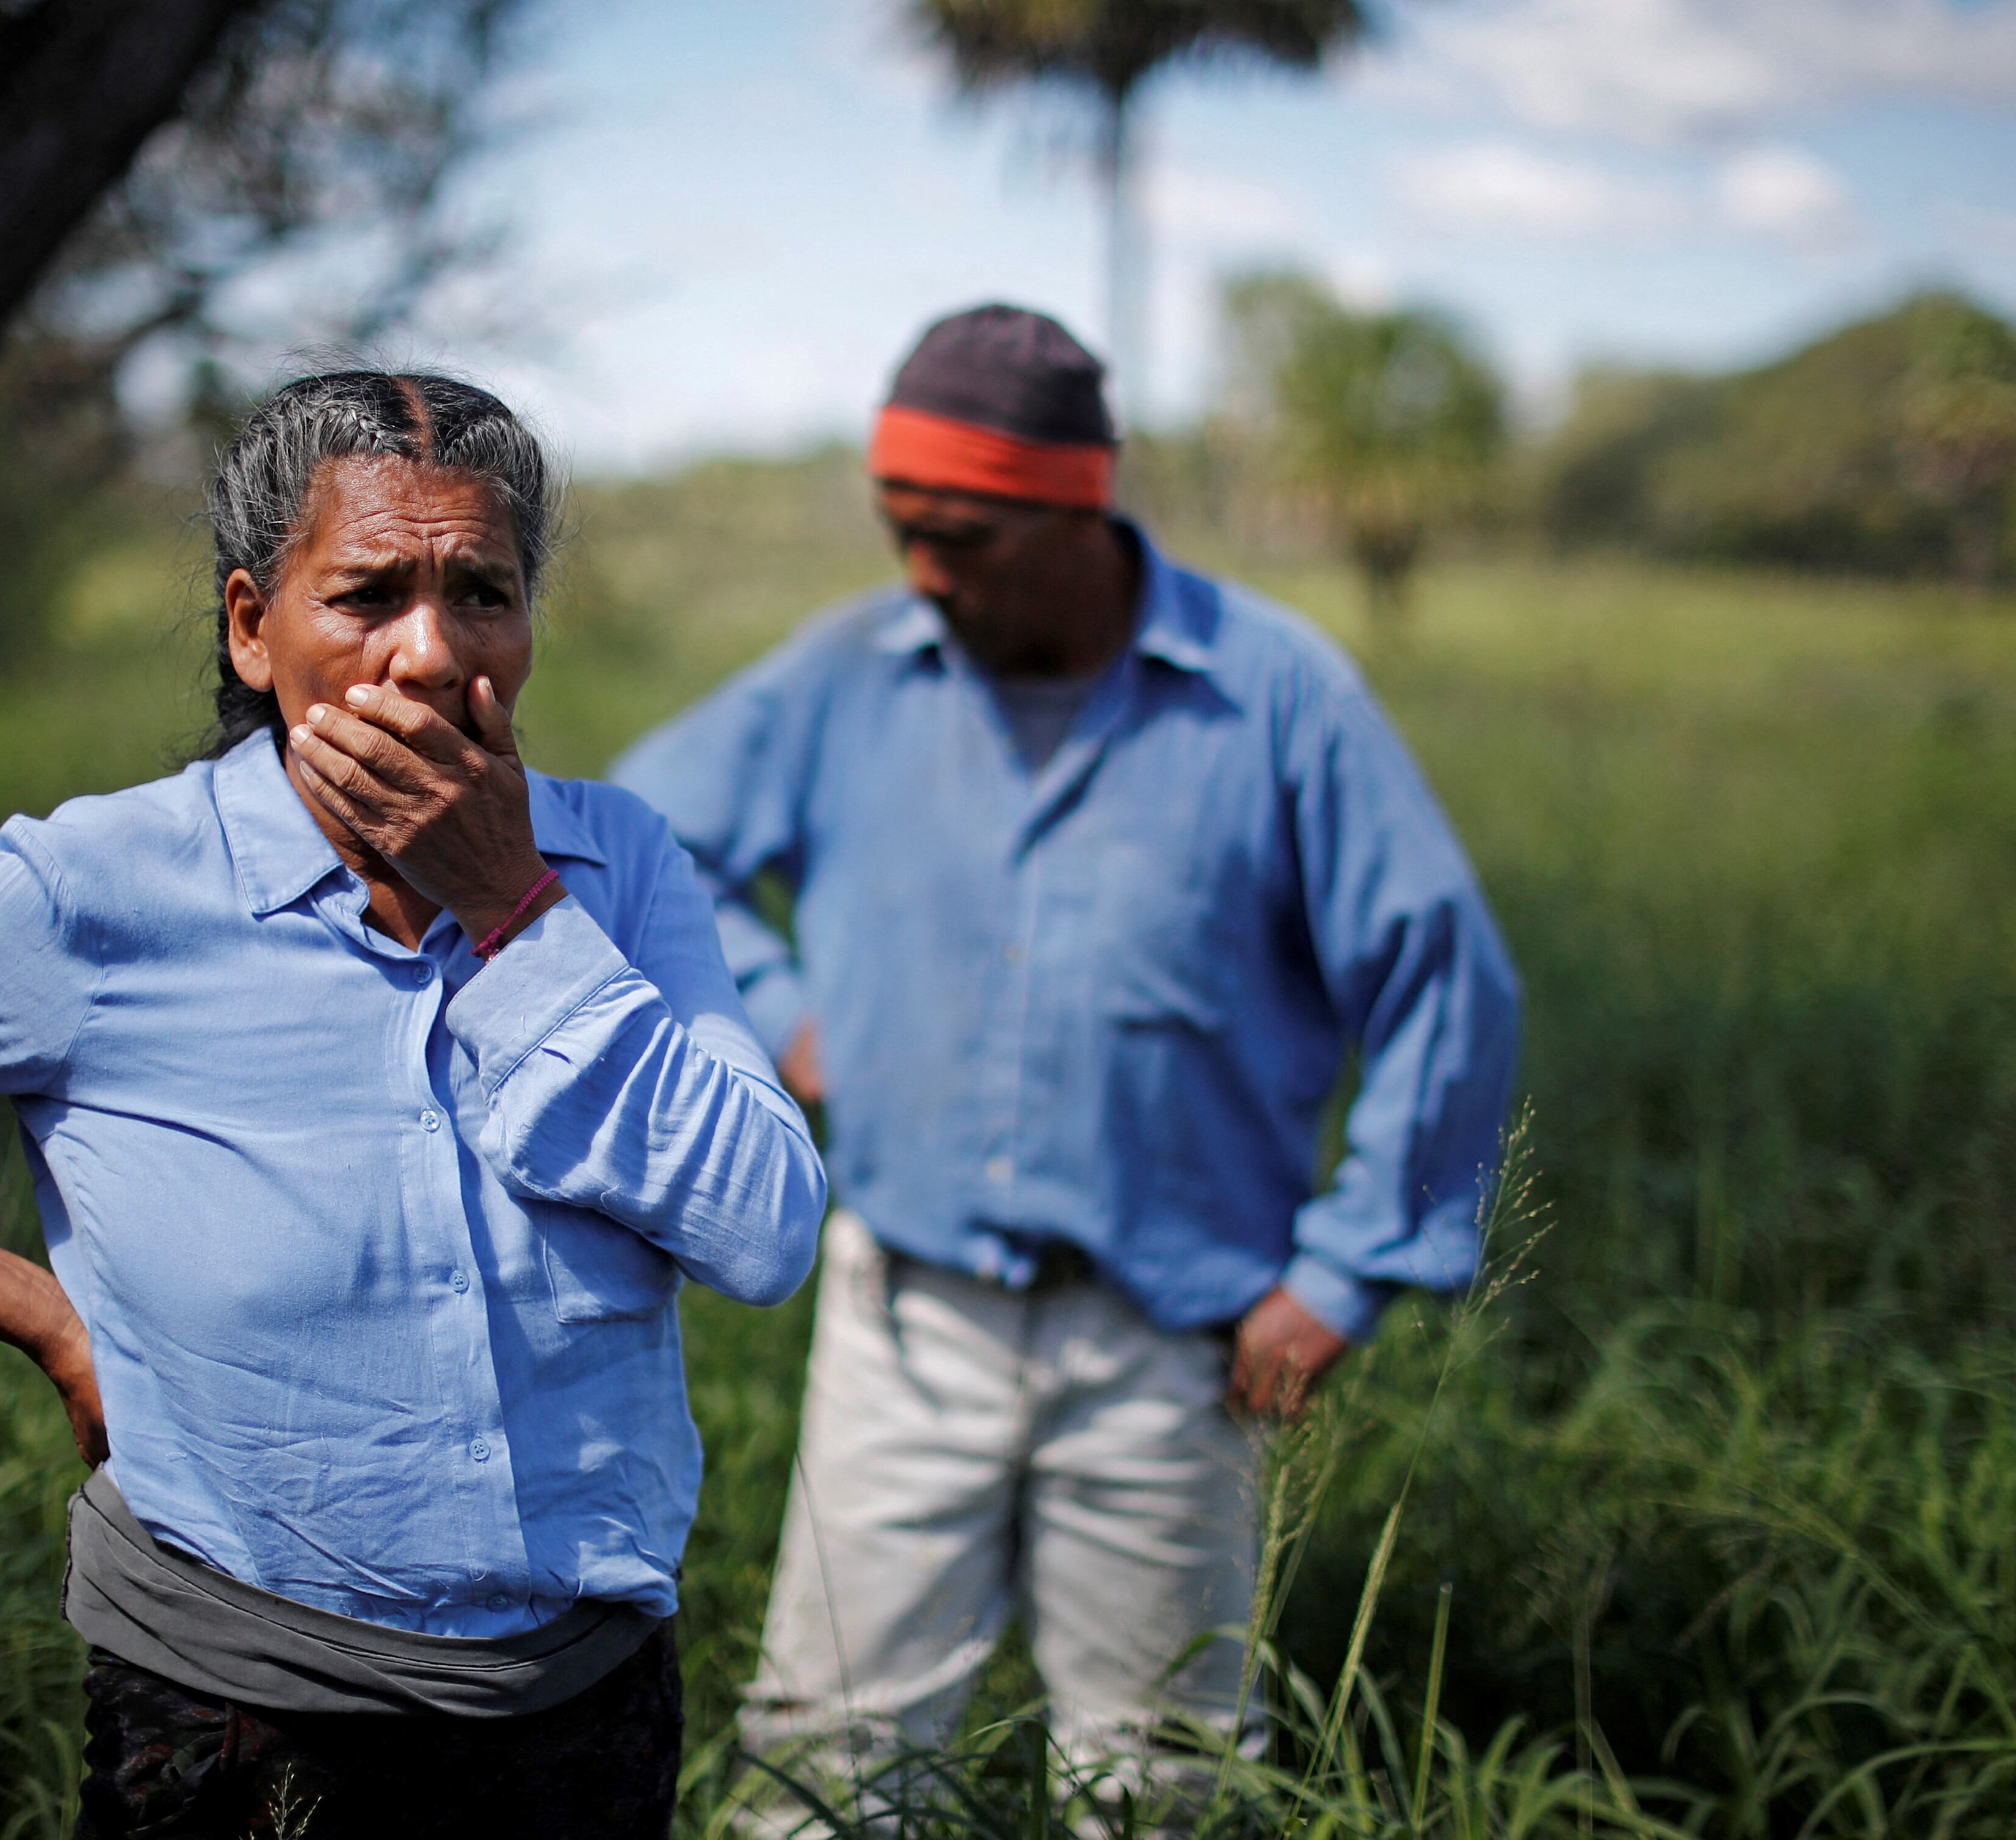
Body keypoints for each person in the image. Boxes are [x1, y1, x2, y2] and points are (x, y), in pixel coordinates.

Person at [0, 372, 827, 1839]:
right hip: (238, 1702)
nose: (432, 654)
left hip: (582, 1699)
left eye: (484, 594)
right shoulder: (101, 893)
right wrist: (53, 1321)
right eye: (368, 593)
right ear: (256, 627)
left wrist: (515, 911)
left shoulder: (613, 863)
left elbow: (762, 1236)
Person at [613, 306, 1520, 1806]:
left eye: (961, 535)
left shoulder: (1274, 694)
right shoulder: (853, 673)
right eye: (900, 527)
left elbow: (1447, 978)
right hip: (906, 1322)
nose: (923, 571)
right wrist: (778, 1015)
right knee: (831, 1758)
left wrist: (1350, 1270)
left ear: (1080, 506)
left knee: (1161, 1777)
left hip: (1176, 1342)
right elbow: (650, 845)